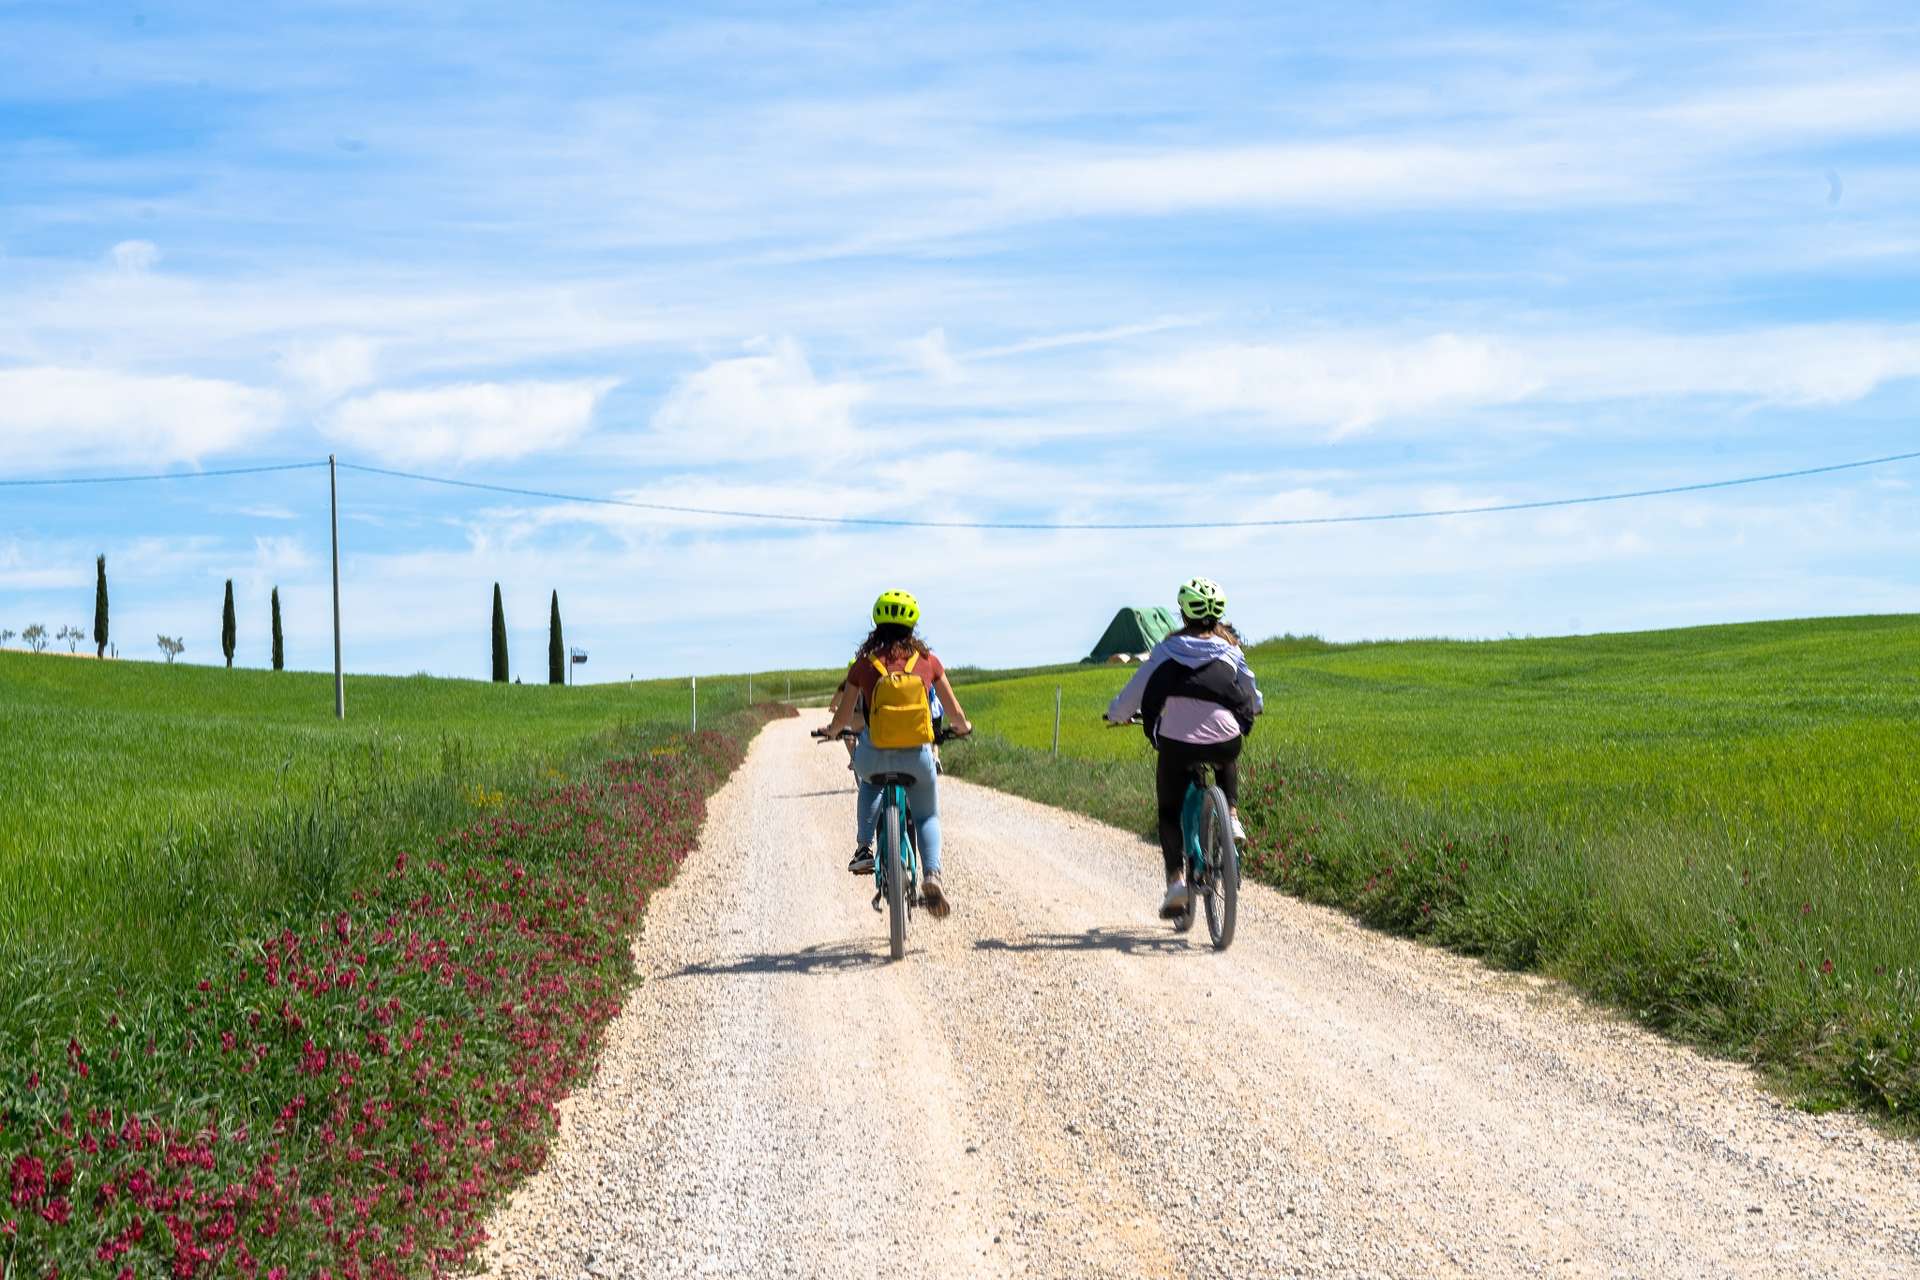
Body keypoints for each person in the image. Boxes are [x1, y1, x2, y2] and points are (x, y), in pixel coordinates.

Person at [1104, 578, 1262, 920]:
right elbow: (1251, 692)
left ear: (1183, 613)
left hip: (1177, 744)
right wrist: (1256, 706)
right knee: (1225, 751)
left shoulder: (1165, 650)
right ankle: (1232, 817)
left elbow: (1134, 693)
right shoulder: (1230, 650)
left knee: (1168, 812)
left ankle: (1176, 882)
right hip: (1224, 739)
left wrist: (1117, 714)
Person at [819, 589, 973, 918]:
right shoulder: (928, 662)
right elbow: (954, 713)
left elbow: (843, 717)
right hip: (916, 756)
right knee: (926, 816)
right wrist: (962, 727)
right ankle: (931, 874)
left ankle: (864, 848)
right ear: (912, 628)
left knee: (869, 784)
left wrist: (833, 732)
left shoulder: (864, 664)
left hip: (875, 754)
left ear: (877, 625)